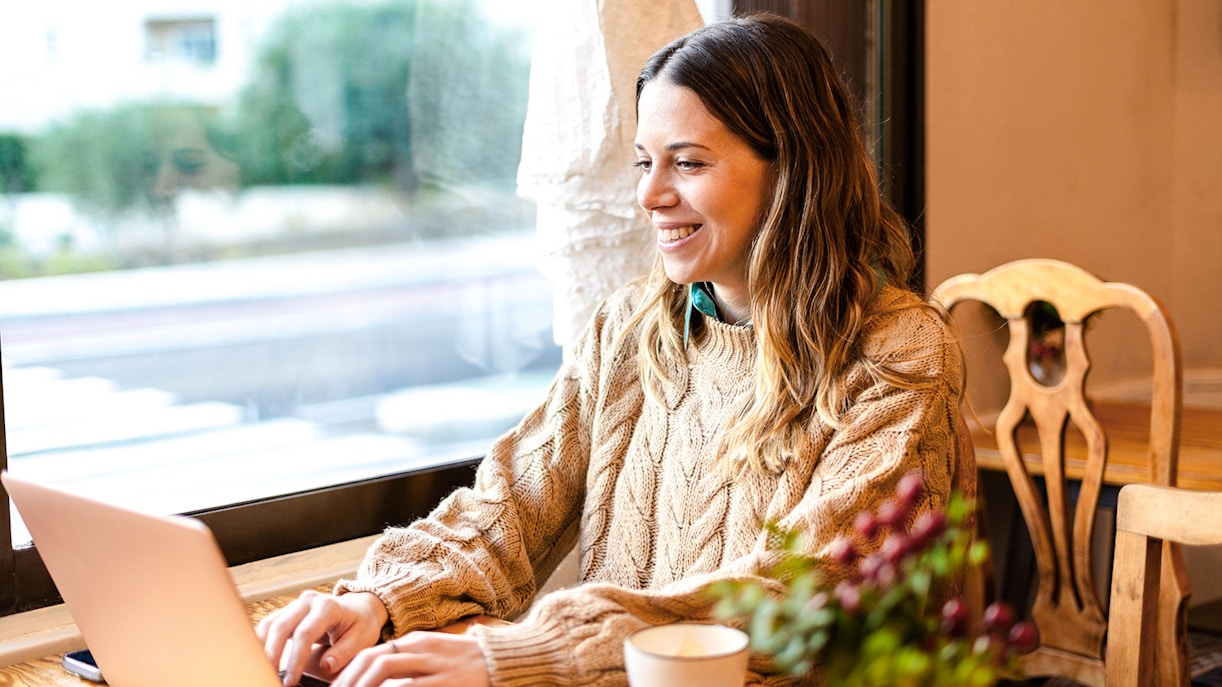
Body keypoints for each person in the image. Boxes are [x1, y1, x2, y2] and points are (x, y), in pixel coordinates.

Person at [259, 13, 967, 687]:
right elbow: (508, 505)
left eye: (687, 163)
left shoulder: (900, 353)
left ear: (794, 170)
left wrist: (527, 651)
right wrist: (377, 600)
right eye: (643, 162)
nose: (650, 195)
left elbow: (805, 590)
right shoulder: (628, 327)